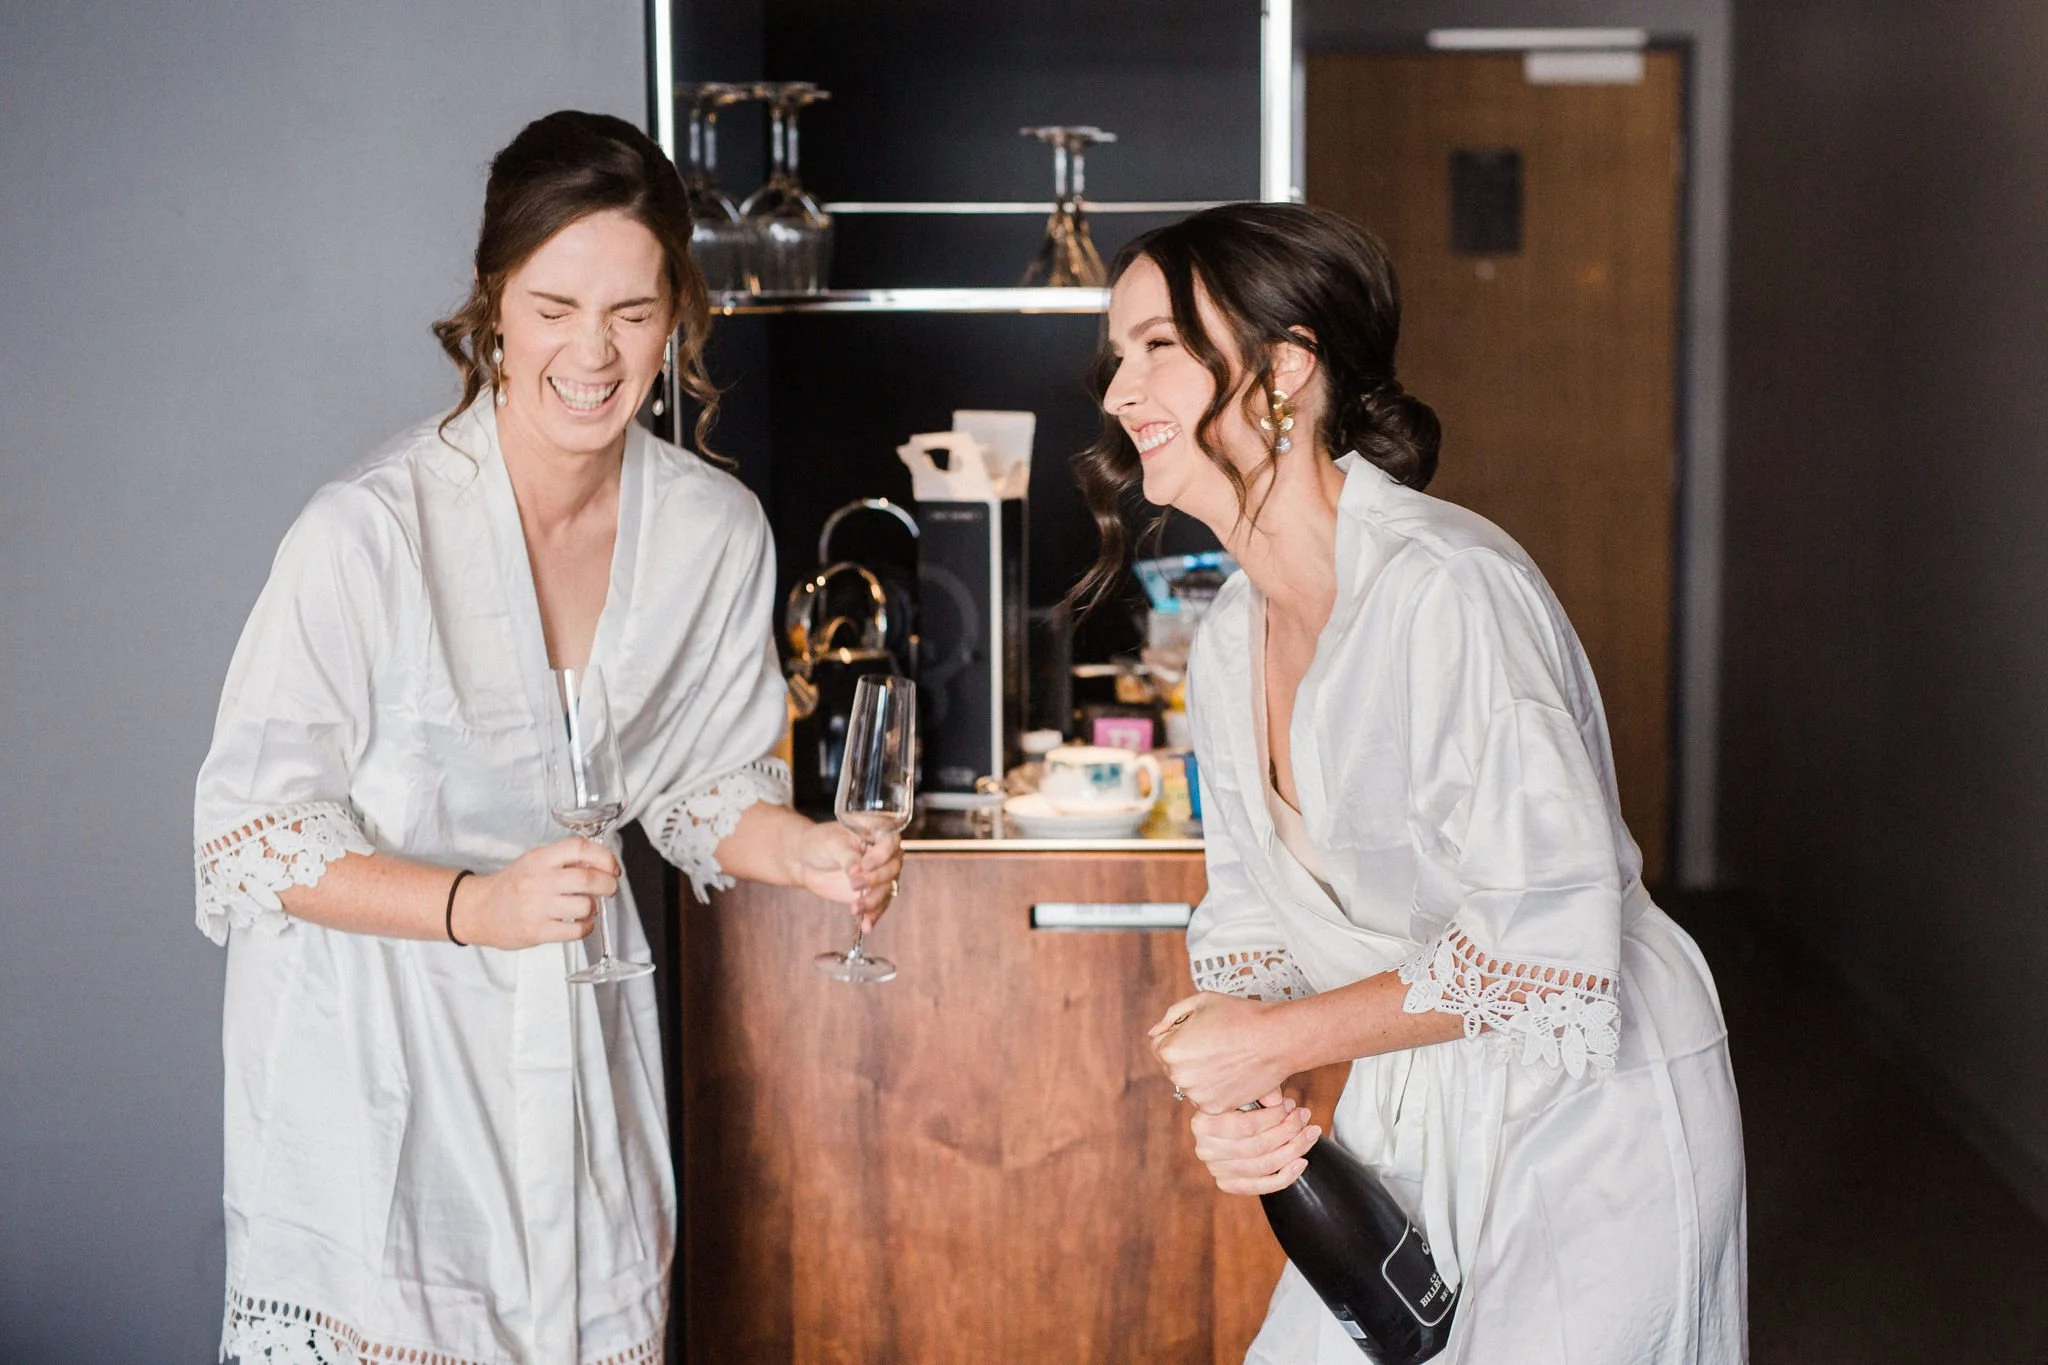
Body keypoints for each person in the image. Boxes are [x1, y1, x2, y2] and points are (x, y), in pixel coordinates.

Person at [192, 110, 900, 1364]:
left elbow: (703, 784)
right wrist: (477, 906)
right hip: (372, 1058)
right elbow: (254, 837)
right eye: (555, 303)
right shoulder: (366, 533)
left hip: (576, 1039)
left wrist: (804, 854)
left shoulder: (712, 529)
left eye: (631, 311)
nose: (593, 349)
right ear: (493, 308)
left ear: (677, 313)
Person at [1074, 203, 1746, 1363]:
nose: (1116, 390)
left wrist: (1273, 1042)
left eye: (1159, 347)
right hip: (1407, 1097)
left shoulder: (1448, 590)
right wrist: (1246, 1082)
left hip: (1589, 1106)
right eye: (1116, 354)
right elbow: (1252, 929)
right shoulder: (1230, 634)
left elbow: (1547, 943)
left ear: (1285, 369)